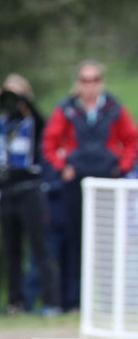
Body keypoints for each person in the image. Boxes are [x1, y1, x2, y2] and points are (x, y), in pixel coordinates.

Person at [41, 60, 138, 311]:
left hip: (107, 184)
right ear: (79, 83)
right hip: (76, 185)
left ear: (101, 82)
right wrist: (62, 168)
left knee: (107, 244)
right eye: (85, 81)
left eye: (94, 80)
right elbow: (50, 143)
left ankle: (108, 304)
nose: (90, 86)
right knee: (75, 243)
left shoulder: (114, 108)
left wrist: (123, 167)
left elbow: (132, 140)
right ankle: (75, 303)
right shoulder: (67, 109)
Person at [0, 74, 60, 315]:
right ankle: (15, 303)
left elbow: (43, 123)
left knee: (39, 247)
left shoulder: (33, 122)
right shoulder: (2, 122)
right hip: (6, 190)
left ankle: (52, 301)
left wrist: (23, 100)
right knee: (12, 251)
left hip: (30, 189)